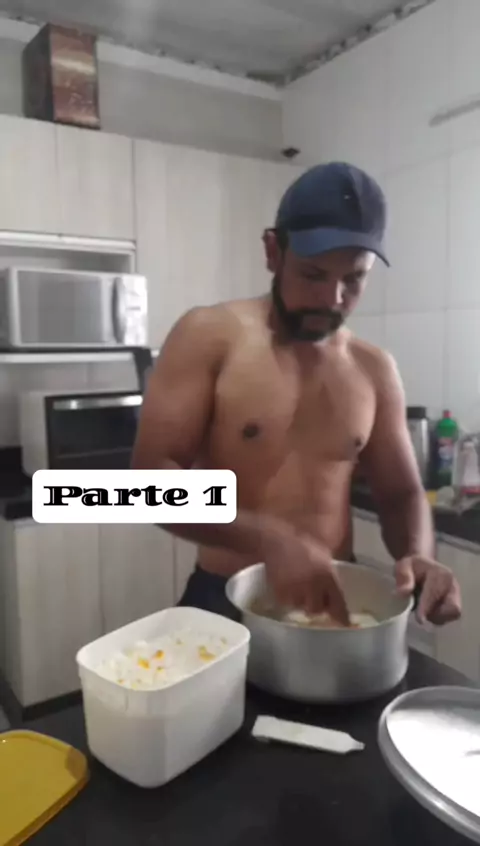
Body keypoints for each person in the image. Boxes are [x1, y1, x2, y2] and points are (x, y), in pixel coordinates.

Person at [131, 161, 461, 628]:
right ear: (273, 251)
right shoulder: (209, 336)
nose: (332, 298)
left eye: (354, 279)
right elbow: (147, 483)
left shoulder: (373, 368)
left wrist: (418, 554)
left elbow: (401, 493)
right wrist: (268, 539)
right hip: (225, 598)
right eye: (313, 274)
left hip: (334, 601)